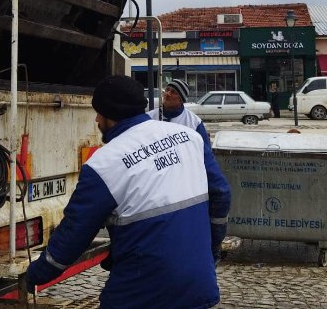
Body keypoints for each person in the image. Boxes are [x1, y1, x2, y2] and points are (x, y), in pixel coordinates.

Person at [26, 75, 231, 308]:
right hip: (199, 287)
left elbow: (73, 235)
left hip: (140, 293)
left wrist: (35, 275)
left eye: (98, 113)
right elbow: (221, 193)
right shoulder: (190, 138)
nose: (96, 120)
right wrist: (211, 247)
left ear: (108, 116)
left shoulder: (103, 164)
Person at [148, 78, 211, 146]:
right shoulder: (149, 117)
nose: (168, 94)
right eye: (167, 90)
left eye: (173, 92)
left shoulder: (194, 122)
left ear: (181, 99)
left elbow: (205, 151)